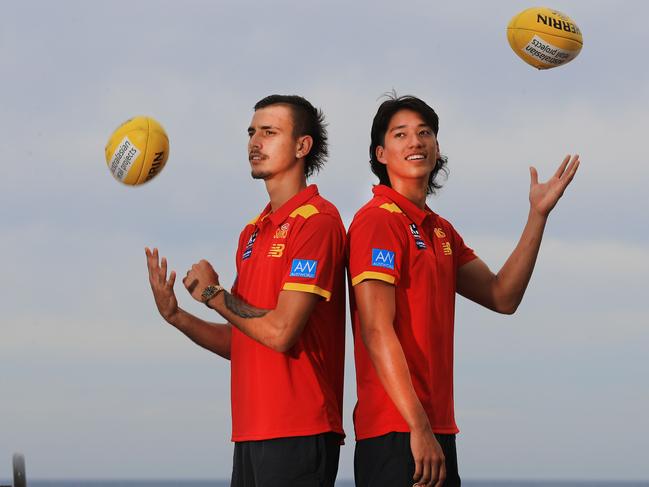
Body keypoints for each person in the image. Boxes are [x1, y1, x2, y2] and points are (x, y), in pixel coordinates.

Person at [347, 95, 580, 487]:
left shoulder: (440, 230)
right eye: (401, 134)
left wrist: (537, 216)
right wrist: (418, 428)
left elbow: (502, 296)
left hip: (436, 430)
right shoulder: (377, 222)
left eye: (425, 133)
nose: (415, 142)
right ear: (381, 154)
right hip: (395, 431)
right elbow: (375, 330)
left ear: (437, 149)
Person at [145, 95, 346, 487]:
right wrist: (178, 317)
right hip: (251, 434)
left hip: (299, 432)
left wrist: (214, 295)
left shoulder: (317, 222)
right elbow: (243, 341)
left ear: (302, 146)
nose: (255, 142)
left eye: (270, 133)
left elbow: (281, 332)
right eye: (252, 133)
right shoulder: (251, 233)